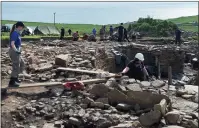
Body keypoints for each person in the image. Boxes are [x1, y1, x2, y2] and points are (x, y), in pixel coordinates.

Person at [8, 22, 27, 87]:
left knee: (22, 63)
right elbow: (12, 44)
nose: (22, 29)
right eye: (22, 27)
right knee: (16, 66)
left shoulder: (18, 33)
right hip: (14, 51)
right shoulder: (15, 33)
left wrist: (19, 50)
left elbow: (18, 43)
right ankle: (12, 82)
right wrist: (16, 51)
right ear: (19, 26)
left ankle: (16, 78)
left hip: (16, 51)